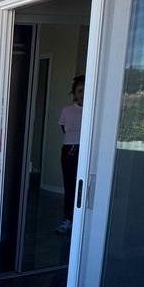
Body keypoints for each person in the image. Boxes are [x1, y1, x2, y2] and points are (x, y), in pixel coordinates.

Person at [55, 75, 84, 235]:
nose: (82, 94)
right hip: (69, 150)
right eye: (79, 90)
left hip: (86, 150)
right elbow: (64, 128)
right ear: (75, 92)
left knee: (83, 187)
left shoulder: (94, 110)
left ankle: (81, 221)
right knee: (70, 185)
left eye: (85, 90)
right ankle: (69, 219)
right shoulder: (68, 110)